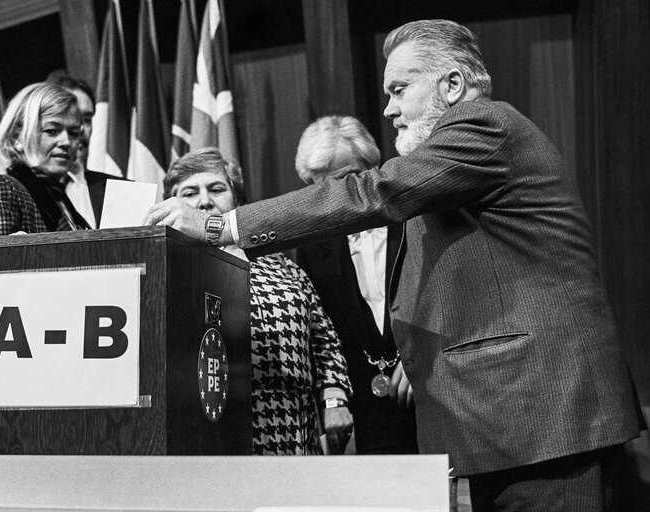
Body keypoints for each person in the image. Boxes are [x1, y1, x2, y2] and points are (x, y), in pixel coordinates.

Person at [149, 19, 644, 510]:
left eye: (400, 89)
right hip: (514, 422)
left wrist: (219, 227)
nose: (389, 109)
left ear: (452, 85)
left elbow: (375, 192)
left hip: (545, 417)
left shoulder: (483, 126)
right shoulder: (461, 159)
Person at [164, 147, 353, 455]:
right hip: (216, 434)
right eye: (189, 193)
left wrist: (334, 397)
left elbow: (324, 341)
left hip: (295, 432)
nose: (204, 201)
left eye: (216, 189)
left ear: (237, 200)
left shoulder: (280, 264)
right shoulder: (172, 270)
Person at [293, 115, 418, 455]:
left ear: (372, 166)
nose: (337, 196)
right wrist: (333, 399)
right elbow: (316, 335)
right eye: (322, 187)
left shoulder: (416, 221)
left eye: (347, 178)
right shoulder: (309, 248)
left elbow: (447, 297)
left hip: (426, 396)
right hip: (355, 413)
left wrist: (422, 357)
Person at [0, 82, 91, 237]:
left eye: (74, 133)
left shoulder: (61, 199)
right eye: (52, 131)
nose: (66, 142)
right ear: (17, 137)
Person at [46, 70, 123, 229]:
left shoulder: (123, 192)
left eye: (86, 119)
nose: (79, 129)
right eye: (68, 117)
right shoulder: (23, 192)